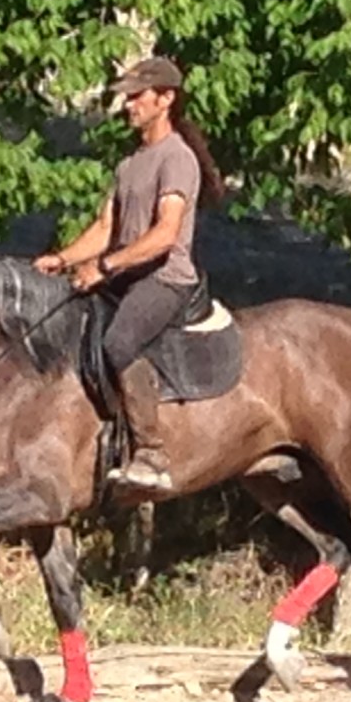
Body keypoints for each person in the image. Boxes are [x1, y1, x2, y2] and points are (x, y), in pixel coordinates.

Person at [34, 54, 223, 494]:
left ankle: (151, 453)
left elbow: (165, 235)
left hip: (165, 279)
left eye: (137, 97)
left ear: (166, 99)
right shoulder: (130, 162)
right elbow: (106, 228)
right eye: (128, 97)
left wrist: (104, 267)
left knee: (119, 343)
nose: (129, 106)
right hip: (128, 274)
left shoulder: (177, 159)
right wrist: (61, 260)